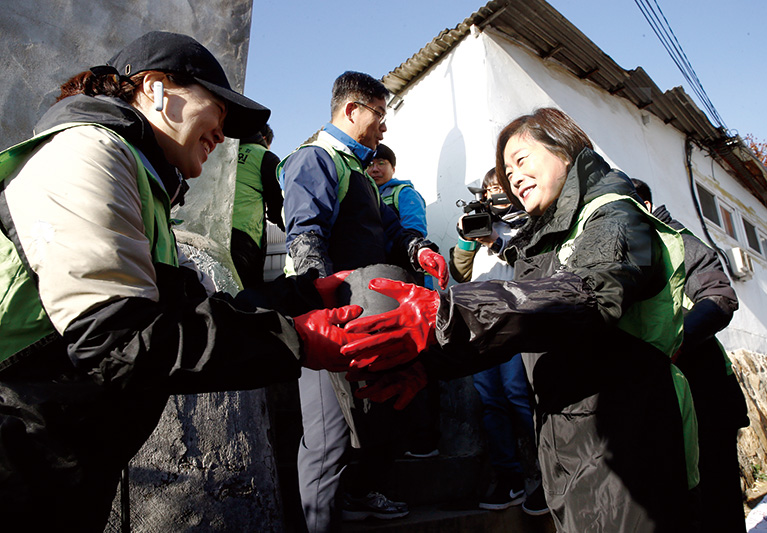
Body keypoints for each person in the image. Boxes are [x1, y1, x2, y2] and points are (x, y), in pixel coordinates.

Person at [0, 32, 379, 531]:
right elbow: (120, 338)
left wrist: (305, 294)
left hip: (60, 460)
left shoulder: (143, 185)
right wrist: (301, 339)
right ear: (155, 88)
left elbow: (196, 316)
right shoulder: (86, 153)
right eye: (216, 109)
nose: (222, 132)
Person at [342, 108, 702, 532]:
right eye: (506, 170)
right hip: (573, 436)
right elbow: (519, 326)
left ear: (565, 152)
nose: (513, 177)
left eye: (522, 160)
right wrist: (429, 365)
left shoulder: (612, 214)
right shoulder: (548, 232)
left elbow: (588, 292)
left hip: (625, 433)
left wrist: (446, 313)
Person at [279, 71, 449, 531]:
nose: (384, 127)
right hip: (330, 323)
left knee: (373, 424)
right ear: (352, 111)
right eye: (380, 114)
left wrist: (417, 249)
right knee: (328, 439)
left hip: (369, 318)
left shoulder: (363, 174)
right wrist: (322, 304)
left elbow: (388, 232)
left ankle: (356, 498)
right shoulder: (315, 158)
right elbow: (305, 234)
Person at [632, 178, 749, 532]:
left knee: (720, 499)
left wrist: (672, 341)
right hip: (660, 400)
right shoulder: (624, 253)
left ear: (647, 207)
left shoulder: (680, 241)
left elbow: (720, 298)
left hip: (706, 392)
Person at [449, 168, 547, 515]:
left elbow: (532, 267)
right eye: (489, 190)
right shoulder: (481, 221)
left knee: (519, 395)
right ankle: (510, 477)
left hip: (518, 318)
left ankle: (544, 478)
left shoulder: (533, 222)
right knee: (491, 400)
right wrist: (466, 239)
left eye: (500, 188)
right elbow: (459, 273)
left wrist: (497, 240)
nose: (495, 196)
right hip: (480, 323)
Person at [367, 143, 440, 459]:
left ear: (393, 167)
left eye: (382, 162)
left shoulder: (403, 194)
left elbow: (413, 232)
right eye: (371, 163)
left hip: (408, 295)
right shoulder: (365, 193)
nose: (376, 168)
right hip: (381, 293)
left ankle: (425, 441)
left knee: (416, 364)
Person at [232, 122, 284, 287]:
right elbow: (278, 205)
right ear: (263, 139)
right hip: (244, 237)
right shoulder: (264, 156)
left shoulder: (224, 152)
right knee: (246, 295)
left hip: (214, 230)